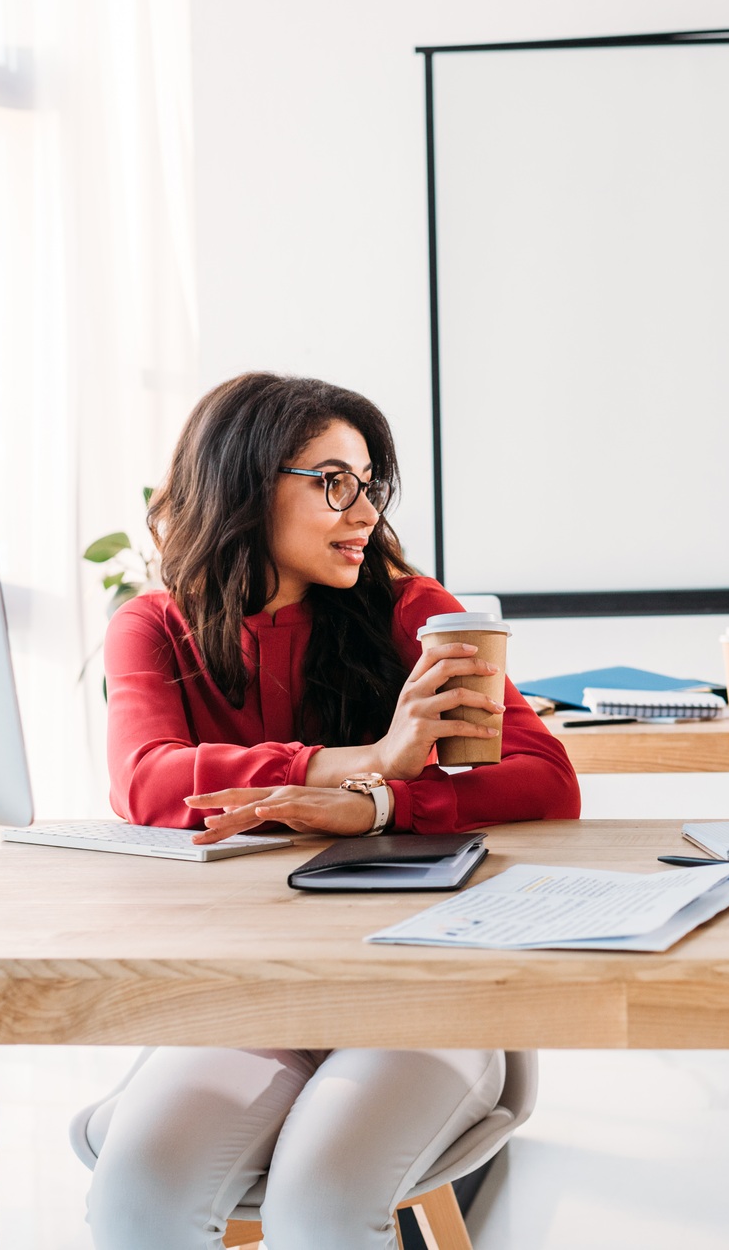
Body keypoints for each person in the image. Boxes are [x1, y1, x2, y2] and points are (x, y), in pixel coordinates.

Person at [84, 372, 579, 1250]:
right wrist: (365, 761)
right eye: (332, 482)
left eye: (368, 484)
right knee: (140, 1193)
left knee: (319, 1204)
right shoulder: (153, 626)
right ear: (242, 484)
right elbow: (149, 781)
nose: (364, 513)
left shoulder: (414, 614)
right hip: (252, 998)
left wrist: (382, 800)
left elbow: (546, 778)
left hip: (429, 994)